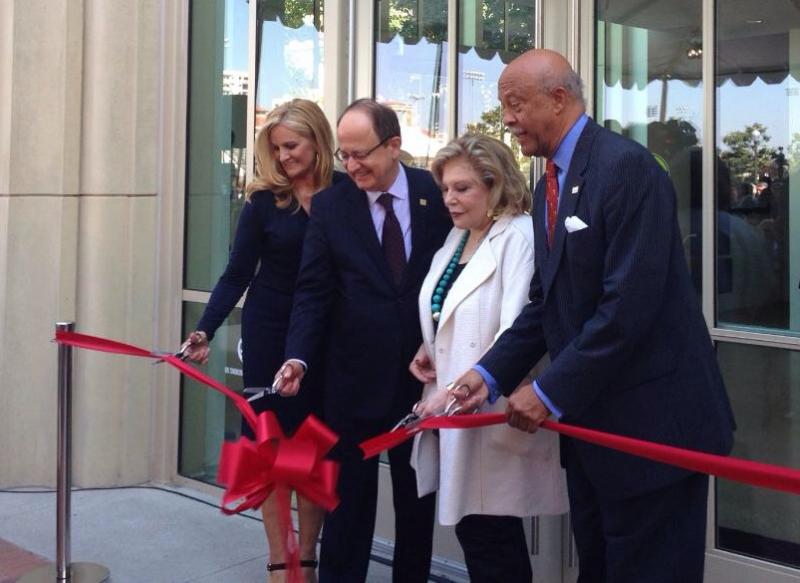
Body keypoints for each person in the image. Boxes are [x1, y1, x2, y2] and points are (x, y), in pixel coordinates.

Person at [447, 50, 736, 583]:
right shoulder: (547, 185)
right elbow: (545, 304)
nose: (506, 119)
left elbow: (628, 308)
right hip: (594, 440)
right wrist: (486, 375)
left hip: (653, 437)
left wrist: (549, 389)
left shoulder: (625, 168)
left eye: (514, 104)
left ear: (558, 99)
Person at [274, 98, 451, 583]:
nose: (350, 167)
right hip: (351, 384)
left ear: (394, 146)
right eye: (344, 156)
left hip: (421, 383)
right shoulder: (333, 205)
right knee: (349, 511)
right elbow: (312, 291)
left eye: (361, 155)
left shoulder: (434, 194)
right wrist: (298, 357)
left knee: (416, 507)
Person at [181, 98, 341, 583]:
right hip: (271, 335)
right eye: (277, 148)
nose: (285, 156)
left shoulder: (345, 195)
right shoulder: (262, 202)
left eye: (292, 145)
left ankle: (307, 561)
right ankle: (279, 562)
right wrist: (205, 327)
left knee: (315, 453)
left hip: (328, 338)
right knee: (275, 451)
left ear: (318, 140)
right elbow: (236, 274)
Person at [408, 134, 568, 583]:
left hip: (489, 411)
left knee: (493, 538)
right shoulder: (459, 236)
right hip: (453, 405)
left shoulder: (518, 237)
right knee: (476, 533)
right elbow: (449, 305)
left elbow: (516, 329)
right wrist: (430, 343)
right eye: (445, 189)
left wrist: (455, 392)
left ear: (494, 185)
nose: (450, 199)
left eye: (463, 188)